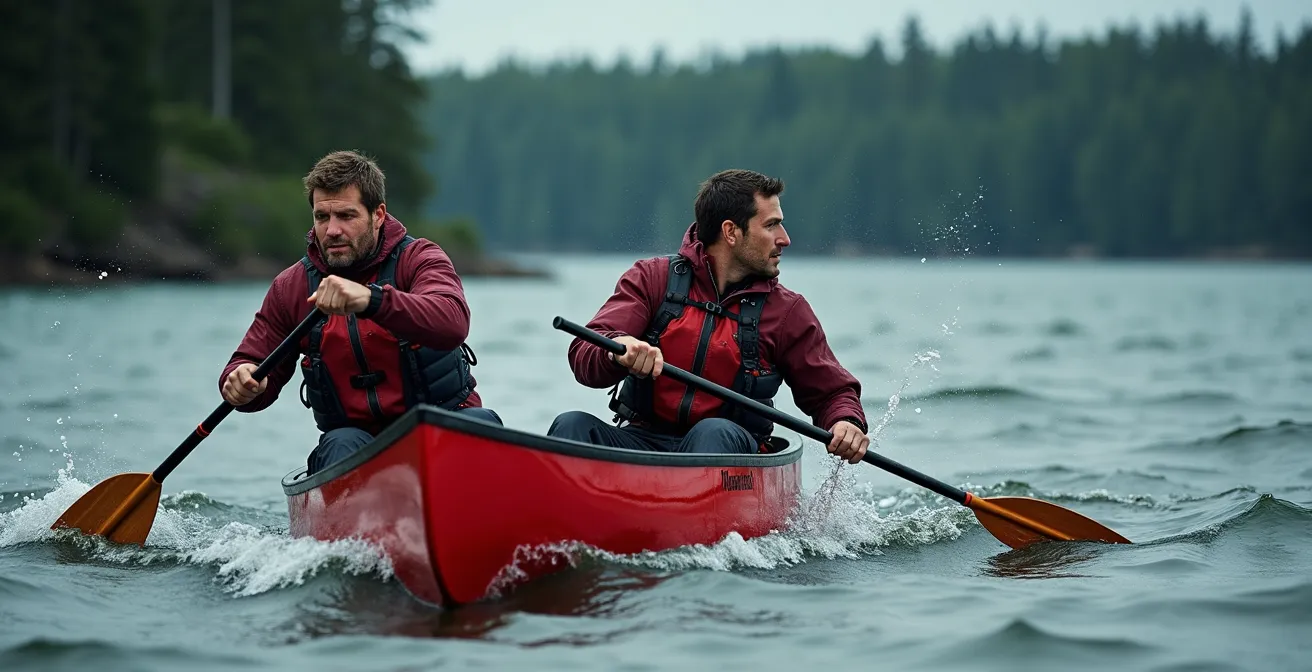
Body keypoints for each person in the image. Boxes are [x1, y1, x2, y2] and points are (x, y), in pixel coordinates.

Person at [548, 169, 870, 463]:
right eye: (771, 225)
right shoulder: (652, 278)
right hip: (642, 440)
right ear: (731, 232)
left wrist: (846, 422)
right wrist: (619, 350)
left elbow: (832, 392)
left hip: (730, 453)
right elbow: (585, 352)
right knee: (572, 424)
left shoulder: (787, 311)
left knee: (712, 433)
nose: (784, 238)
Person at [218, 150, 501, 475]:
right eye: (322, 217)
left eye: (346, 216)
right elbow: (246, 365)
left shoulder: (421, 258)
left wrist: (371, 300)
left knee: (481, 424)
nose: (332, 230)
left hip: (444, 423)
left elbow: (452, 322)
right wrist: (240, 382)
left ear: (378, 214)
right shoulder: (292, 287)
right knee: (340, 445)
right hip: (355, 445)